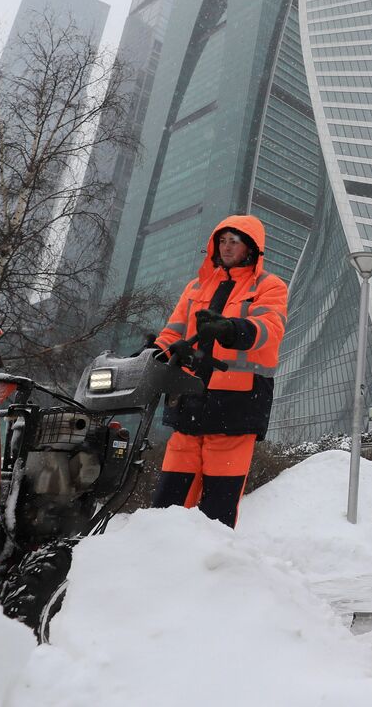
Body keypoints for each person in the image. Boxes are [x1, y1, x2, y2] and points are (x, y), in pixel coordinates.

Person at [147, 215, 287, 529]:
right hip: (189, 400)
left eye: (234, 241)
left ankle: (211, 568)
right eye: (222, 240)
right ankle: (156, 562)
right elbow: (172, 333)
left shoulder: (268, 286)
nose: (226, 247)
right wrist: (153, 353)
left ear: (251, 247)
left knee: (217, 510)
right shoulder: (196, 286)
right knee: (167, 503)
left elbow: (269, 329)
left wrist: (231, 329)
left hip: (236, 407)